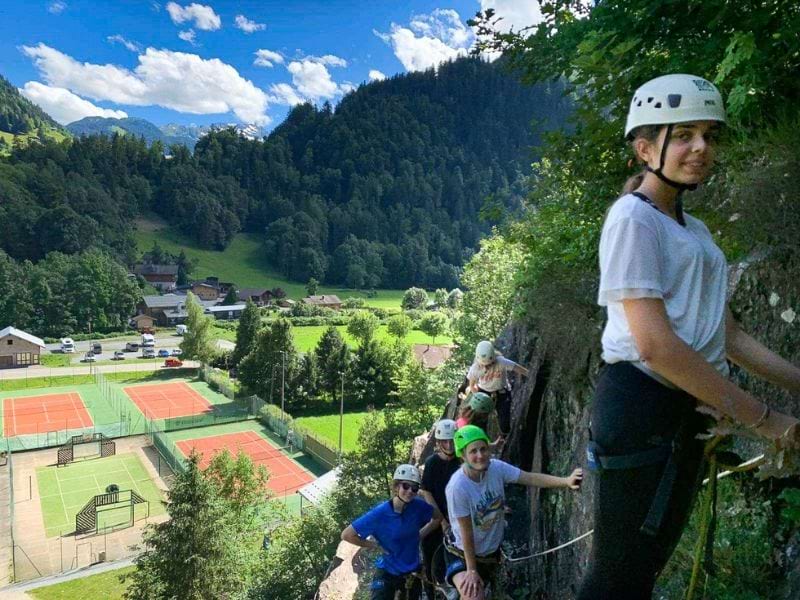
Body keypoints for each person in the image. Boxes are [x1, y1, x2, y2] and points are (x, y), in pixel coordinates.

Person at [577, 74, 800, 600]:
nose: (700, 148)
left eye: (708, 135)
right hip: (642, 405)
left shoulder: (693, 231)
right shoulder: (634, 220)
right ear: (645, 148)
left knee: (640, 570)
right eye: (684, 135)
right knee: (618, 578)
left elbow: (727, 335)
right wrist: (766, 420)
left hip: (676, 411)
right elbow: (654, 344)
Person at [445, 425, 582, 599]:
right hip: (462, 554)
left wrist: (566, 481)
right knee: (473, 595)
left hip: (489, 554)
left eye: (483, 449)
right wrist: (471, 570)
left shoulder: (496, 468)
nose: (480, 455)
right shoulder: (458, 487)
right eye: (473, 451)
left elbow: (530, 478)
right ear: (463, 455)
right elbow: (466, 532)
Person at [341, 464, 439, 600]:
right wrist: (374, 545)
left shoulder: (418, 507)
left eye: (414, 488)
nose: (410, 491)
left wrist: (418, 536)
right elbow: (347, 534)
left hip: (412, 573)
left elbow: (437, 518)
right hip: (387, 572)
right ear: (397, 486)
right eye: (406, 486)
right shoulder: (380, 513)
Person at [420, 419, 461, 600]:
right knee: (430, 557)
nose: (449, 444)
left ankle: (452, 588)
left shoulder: (462, 461)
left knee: (455, 556)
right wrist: (442, 521)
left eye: (451, 440)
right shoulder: (432, 463)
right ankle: (430, 592)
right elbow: (427, 492)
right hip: (435, 516)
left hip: (459, 517)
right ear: (438, 443)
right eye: (444, 441)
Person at [467, 341, 528, 438]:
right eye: (483, 365)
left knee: (504, 420)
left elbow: (517, 368)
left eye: (488, 364)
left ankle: (504, 439)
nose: (486, 367)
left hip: (501, 392)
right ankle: (480, 440)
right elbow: (472, 385)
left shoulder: (501, 362)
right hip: (483, 392)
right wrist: (477, 397)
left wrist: (530, 375)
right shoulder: (475, 369)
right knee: (479, 419)